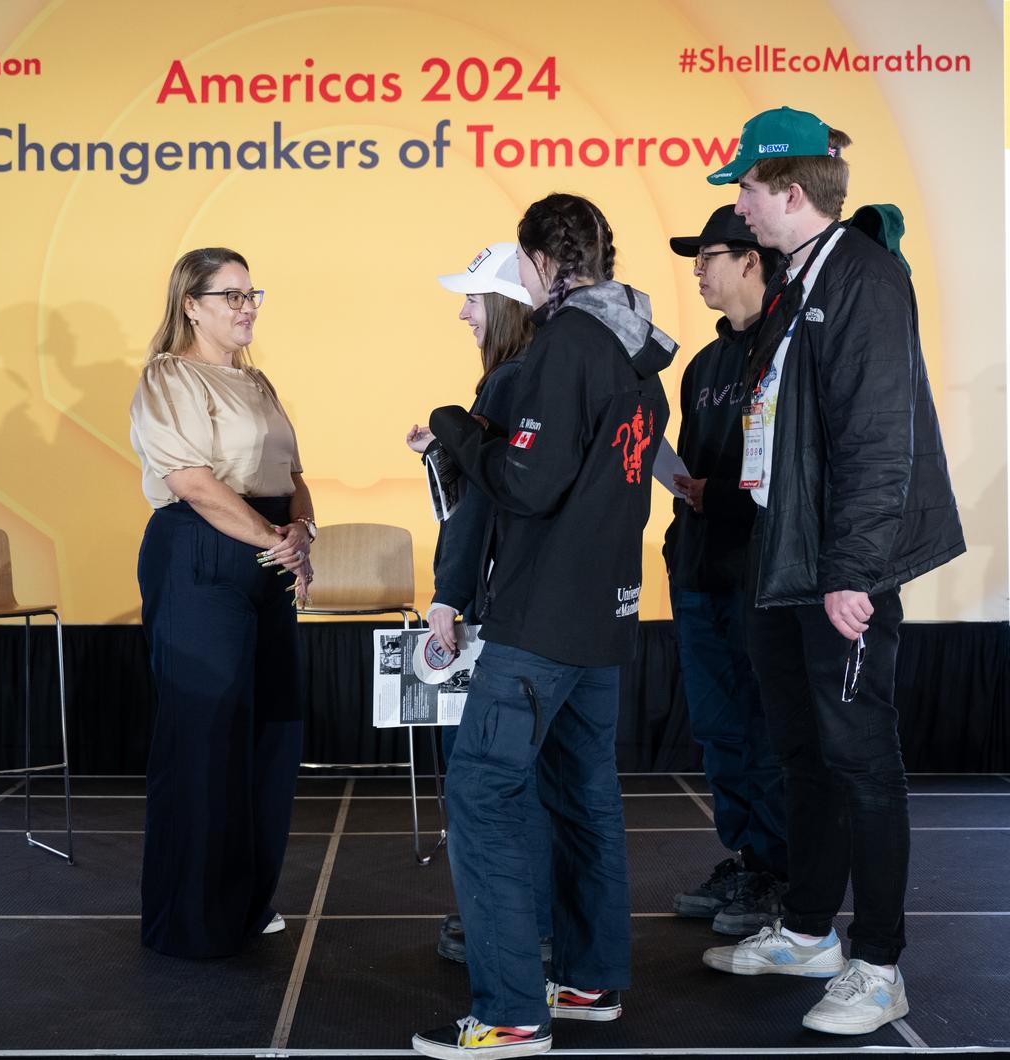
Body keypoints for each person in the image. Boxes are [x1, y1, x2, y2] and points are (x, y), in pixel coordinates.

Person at [698, 107, 965, 1035]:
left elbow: (878, 436)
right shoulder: (797, 282)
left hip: (838, 571)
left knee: (861, 759)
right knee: (804, 752)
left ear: (790, 193)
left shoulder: (862, 276)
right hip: (789, 561)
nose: (736, 207)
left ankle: (881, 962)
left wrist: (853, 572)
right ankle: (811, 929)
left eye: (744, 190)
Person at [410, 194, 676, 1059]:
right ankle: (591, 982)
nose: (464, 309)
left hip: (543, 619)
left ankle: (514, 1015)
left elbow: (525, 487)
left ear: (535, 263)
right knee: (583, 797)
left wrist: (457, 431)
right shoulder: (636, 348)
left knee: (482, 797)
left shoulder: (565, 347)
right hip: (606, 614)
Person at [129, 247, 316, 958]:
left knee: (271, 736)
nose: (247, 307)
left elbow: (292, 474)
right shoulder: (167, 378)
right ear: (192, 304)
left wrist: (300, 533)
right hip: (200, 556)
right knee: (204, 741)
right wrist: (276, 538)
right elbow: (196, 485)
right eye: (231, 295)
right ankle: (191, 920)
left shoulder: (257, 381)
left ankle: (244, 902)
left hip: (266, 555)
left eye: (251, 293)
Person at [404, 243, 552, 966]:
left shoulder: (505, 385)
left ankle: (507, 936)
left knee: (481, 782)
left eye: (473, 298)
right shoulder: (562, 375)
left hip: (509, 616)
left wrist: (447, 597)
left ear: (507, 303)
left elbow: (482, 509)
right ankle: (550, 932)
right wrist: (446, 451)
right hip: (565, 613)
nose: (463, 311)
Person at [663, 206, 788, 935]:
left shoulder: (787, 347)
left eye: (707, 256)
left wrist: (730, 498)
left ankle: (782, 870)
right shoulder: (704, 365)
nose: (699, 271)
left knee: (766, 725)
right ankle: (748, 857)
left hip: (763, 572)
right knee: (717, 728)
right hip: (701, 567)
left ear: (749, 258)